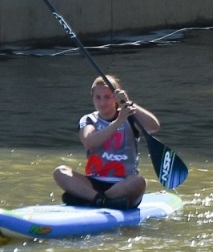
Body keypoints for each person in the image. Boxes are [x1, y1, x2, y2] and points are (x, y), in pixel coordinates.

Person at [54, 75, 161, 210]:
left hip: (123, 185)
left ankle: (93, 199)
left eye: (107, 97)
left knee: (139, 181)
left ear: (115, 98)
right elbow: (89, 142)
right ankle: (101, 200)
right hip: (94, 183)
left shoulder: (130, 116)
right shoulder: (88, 120)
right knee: (60, 172)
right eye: (97, 97)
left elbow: (154, 127)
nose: (102, 103)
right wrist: (118, 123)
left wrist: (130, 104)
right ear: (92, 98)